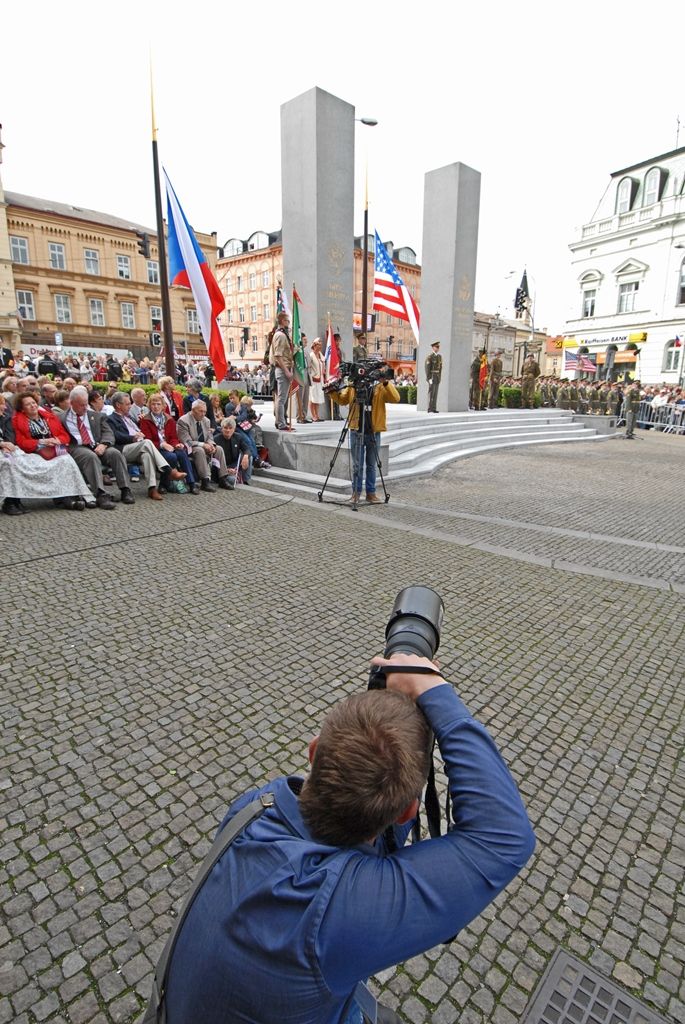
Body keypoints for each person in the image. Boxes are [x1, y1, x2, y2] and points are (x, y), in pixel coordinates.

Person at [161, 651, 535, 1024]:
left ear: (312, 752)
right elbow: (504, 838)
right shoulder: (338, 914)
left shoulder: (256, 807)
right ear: (408, 811)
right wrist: (429, 687)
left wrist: (389, 716)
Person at [0, 394, 91, 514]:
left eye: (33, 402)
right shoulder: (17, 420)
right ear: (22, 408)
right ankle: (12, 502)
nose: (32, 406)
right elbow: (20, 442)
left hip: (53, 449)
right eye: (28, 404)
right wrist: (40, 442)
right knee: (14, 463)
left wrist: (57, 440)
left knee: (66, 460)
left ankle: (67, 496)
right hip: (33, 451)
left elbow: (64, 435)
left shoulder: (49, 417)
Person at [56, 386, 131, 509]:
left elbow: (108, 433)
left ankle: (125, 489)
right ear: (72, 403)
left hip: (97, 444)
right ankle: (101, 493)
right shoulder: (61, 418)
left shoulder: (96, 416)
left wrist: (104, 444)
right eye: (81, 405)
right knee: (90, 457)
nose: (85, 408)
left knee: (115, 453)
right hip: (77, 447)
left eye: (86, 404)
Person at [330, 376, 400, 504]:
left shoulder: (380, 386)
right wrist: (332, 392)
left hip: (373, 431)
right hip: (356, 430)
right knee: (357, 465)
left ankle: (370, 493)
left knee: (372, 465)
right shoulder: (353, 385)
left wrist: (385, 382)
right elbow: (342, 400)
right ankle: (356, 493)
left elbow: (396, 398)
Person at [109, 392, 185, 500]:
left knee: (147, 455)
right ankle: (169, 470)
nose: (130, 406)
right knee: (147, 442)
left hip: (139, 447)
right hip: (123, 449)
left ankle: (152, 489)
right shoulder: (111, 419)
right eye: (127, 404)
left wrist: (139, 432)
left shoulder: (129, 418)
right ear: (118, 405)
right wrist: (133, 437)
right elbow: (115, 436)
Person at [139, 393, 199, 494]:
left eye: (158, 404)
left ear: (163, 406)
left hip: (169, 446)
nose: (156, 407)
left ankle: (191, 483)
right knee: (171, 457)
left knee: (181, 453)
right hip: (155, 448)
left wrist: (176, 444)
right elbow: (147, 440)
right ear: (149, 406)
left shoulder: (169, 419)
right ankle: (163, 484)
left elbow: (173, 438)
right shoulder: (145, 420)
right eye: (153, 404)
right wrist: (162, 445)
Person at [176, 400, 233, 491]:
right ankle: (205, 481)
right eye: (200, 411)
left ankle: (222, 478)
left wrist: (211, 445)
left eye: (205, 411)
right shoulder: (183, 421)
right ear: (193, 410)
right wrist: (203, 445)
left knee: (219, 449)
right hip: (189, 448)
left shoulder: (206, 420)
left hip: (203, 445)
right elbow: (186, 441)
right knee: (199, 450)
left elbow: (209, 437)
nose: (203, 414)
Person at [270, 312, 294, 430]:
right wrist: (287, 371)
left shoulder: (283, 334)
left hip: (284, 368)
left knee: (283, 398)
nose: (288, 323)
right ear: (283, 321)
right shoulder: (280, 335)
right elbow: (278, 355)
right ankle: (281, 423)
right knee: (281, 398)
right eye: (287, 321)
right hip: (282, 369)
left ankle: (282, 421)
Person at [213, 416, 251, 486]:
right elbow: (213, 460)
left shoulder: (238, 437)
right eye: (225, 428)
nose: (228, 430)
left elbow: (247, 449)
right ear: (221, 429)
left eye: (230, 428)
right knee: (232, 480)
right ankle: (236, 477)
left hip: (234, 464)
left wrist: (245, 456)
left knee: (249, 457)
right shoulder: (215, 439)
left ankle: (245, 479)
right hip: (221, 467)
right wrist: (226, 469)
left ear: (234, 429)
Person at [308, 339, 325, 421]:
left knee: (318, 397)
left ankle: (317, 415)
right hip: (313, 379)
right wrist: (311, 375)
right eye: (318, 345)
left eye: (321, 345)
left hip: (320, 379)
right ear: (314, 345)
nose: (320, 346)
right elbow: (308, 367)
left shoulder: (320, 354)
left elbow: (323, 363)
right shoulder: (311, 355)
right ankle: (313, 415)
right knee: (312, 397)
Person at [425, 341, 442, 413]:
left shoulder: (439, 356)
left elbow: (440, 368)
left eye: (438, 347)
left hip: (437, 377)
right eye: (436, 347)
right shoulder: (430, 357)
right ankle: (429, 408)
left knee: (435, 393)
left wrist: (440, 377)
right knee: (431, 392)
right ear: (433, 347)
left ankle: (434, 408)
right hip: (432, 376)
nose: (438, 348)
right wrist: (429, 378)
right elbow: (427, 368)